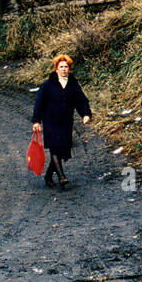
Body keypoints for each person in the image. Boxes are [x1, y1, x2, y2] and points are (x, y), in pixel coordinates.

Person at [32, 54, 92, 190]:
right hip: (50, 121)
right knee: (54, 147)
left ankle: (48, 176)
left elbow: (81, 100)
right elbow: (39, 104)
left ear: (69, 69)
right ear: (56, 69)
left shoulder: (73, 84)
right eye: (61, 67)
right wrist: (36, 121)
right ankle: (61, 177)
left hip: (66, 121)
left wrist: (86, 114)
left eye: (66, 67)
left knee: (63, 149)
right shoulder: (47, 85)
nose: (64, 69)